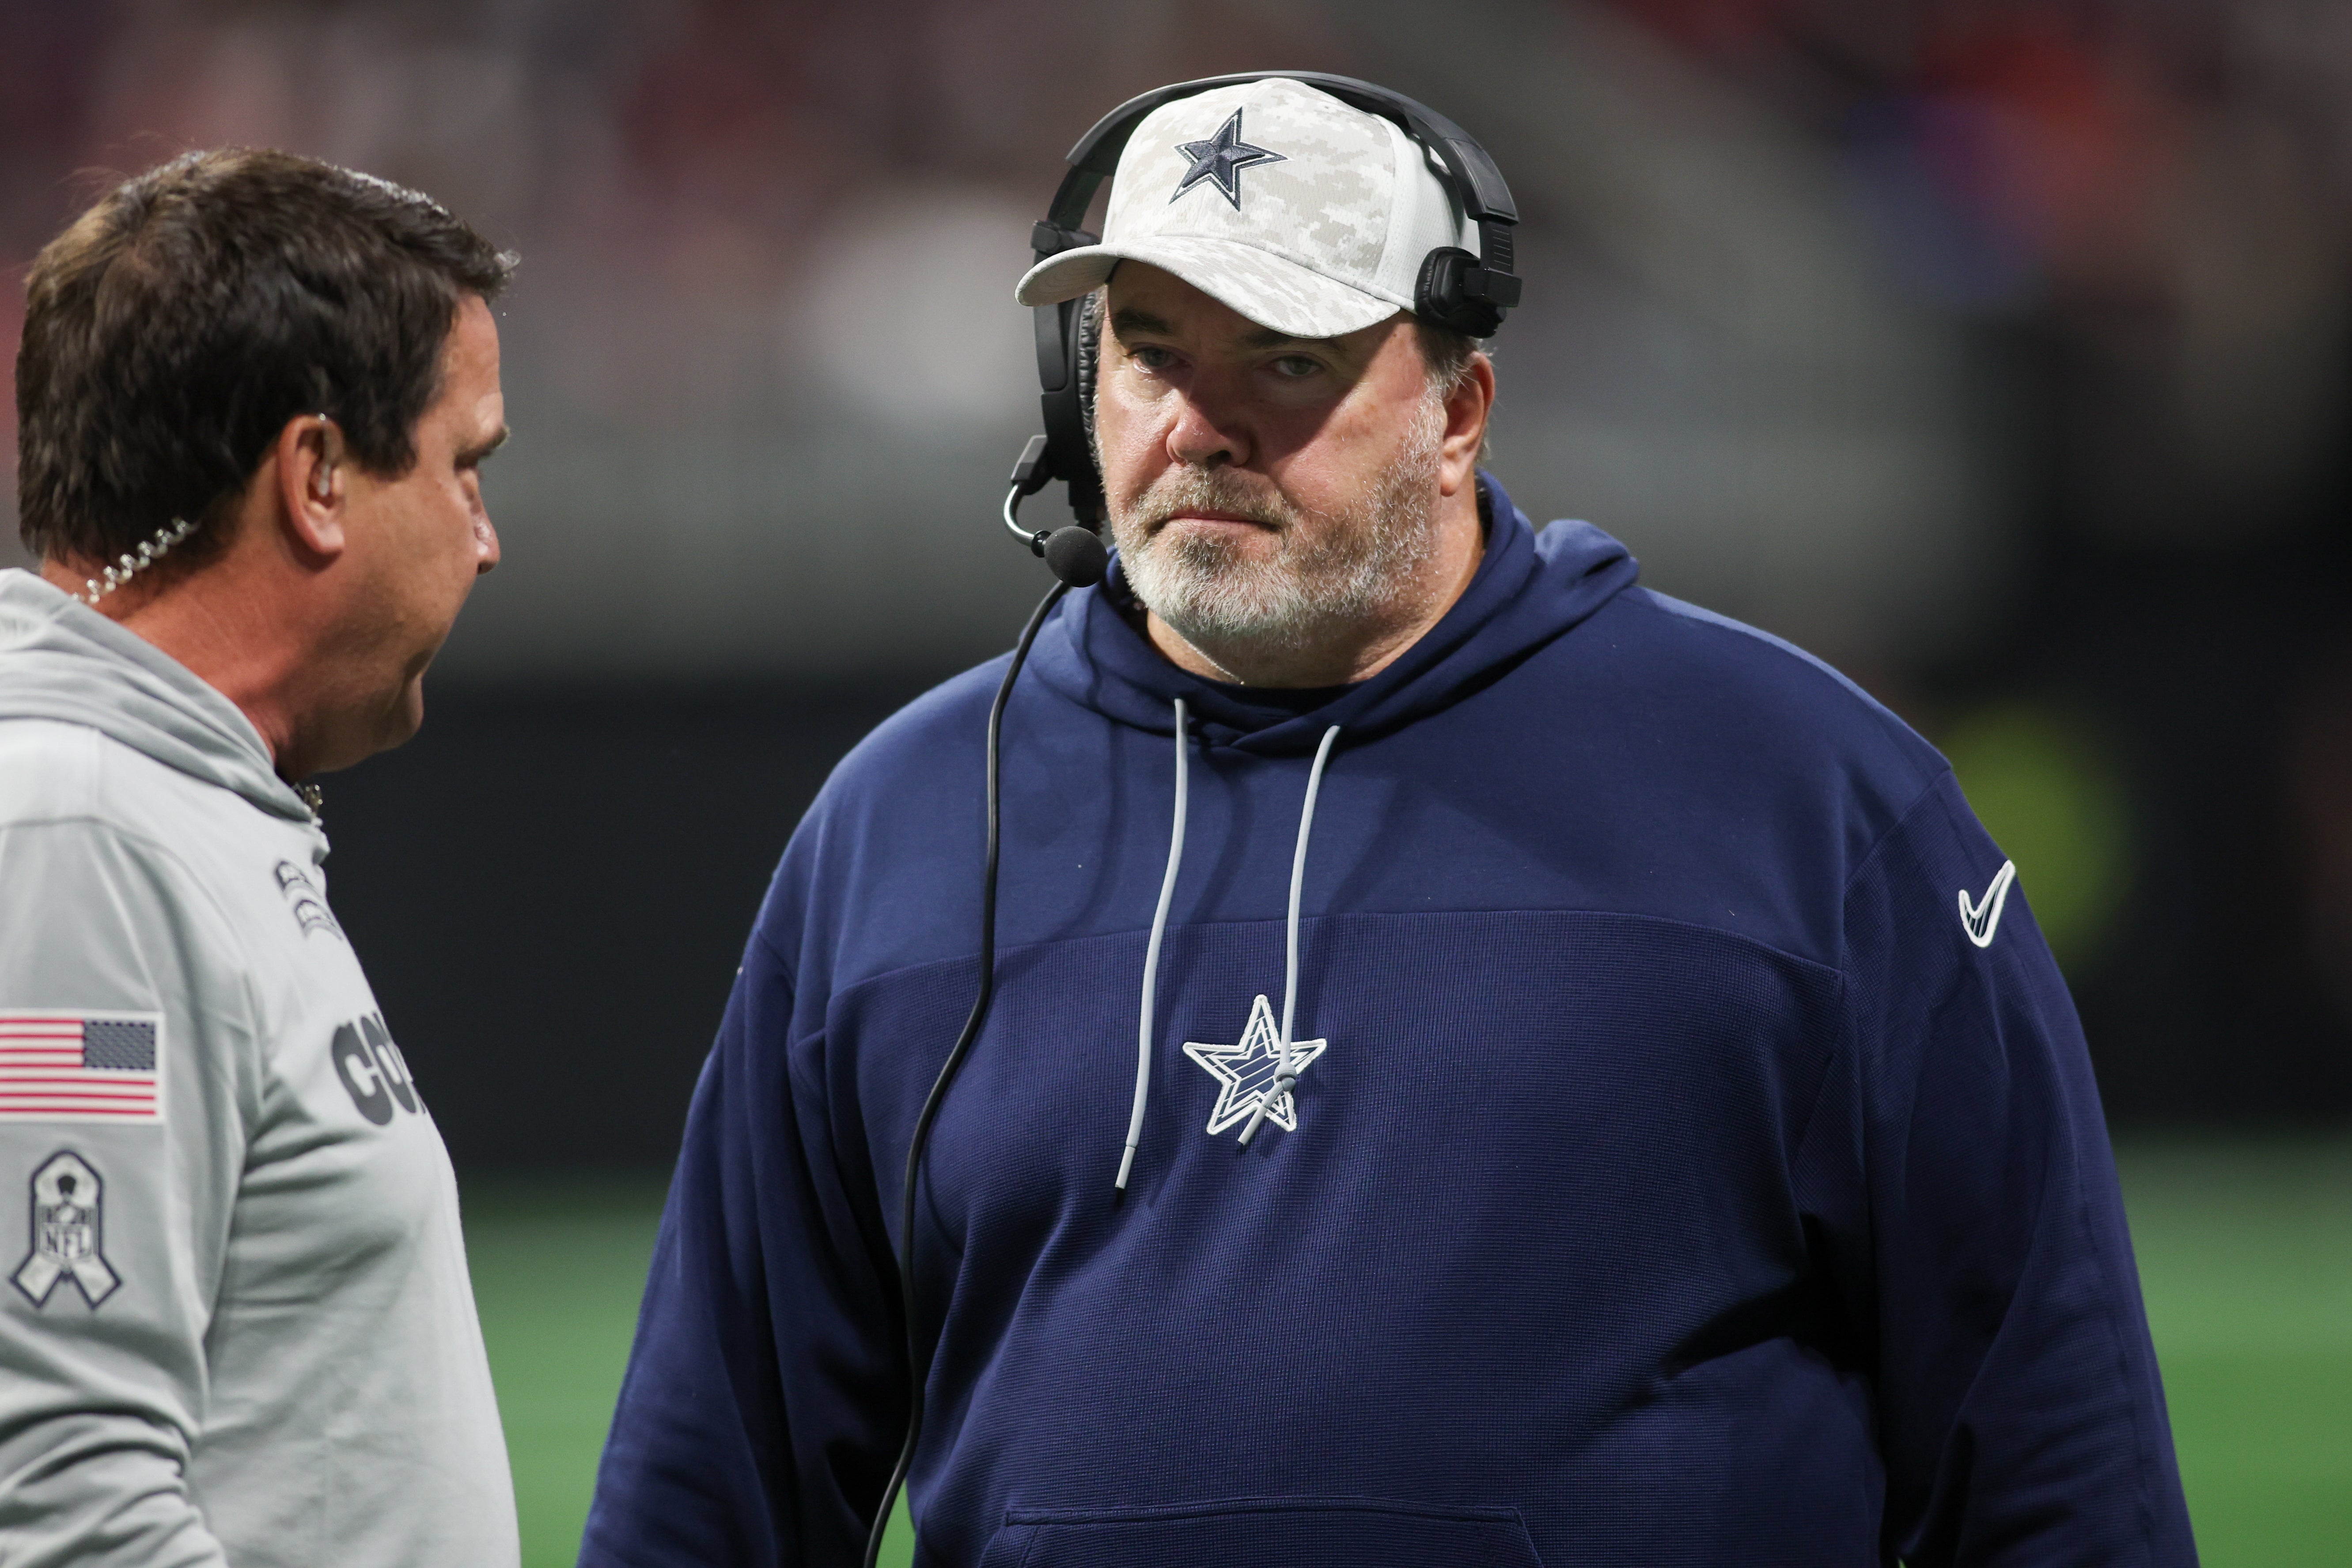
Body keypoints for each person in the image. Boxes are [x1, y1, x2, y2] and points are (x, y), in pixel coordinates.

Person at [580, 77, 2196, 1567]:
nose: (1195, 427)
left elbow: (2054, 1460)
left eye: (1284, 360)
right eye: (1148, 349)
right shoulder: (910, 823)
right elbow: (716, 1483)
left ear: (1460, 407)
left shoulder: (1808, 798)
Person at [0, 150, 519, 1568]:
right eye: (464, 465)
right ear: (320, 479)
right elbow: (59, 1509)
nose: (487, 542)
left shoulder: (164, 808)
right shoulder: (77, 837)